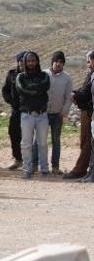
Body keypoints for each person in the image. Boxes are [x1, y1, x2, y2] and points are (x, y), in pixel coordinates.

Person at [34, 51, 72, 174]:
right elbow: (37, 92)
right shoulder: (43, 74)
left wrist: (64, 111)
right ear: (52, 62)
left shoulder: (67, 78)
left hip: (57, 115)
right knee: (38, 140)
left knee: (56, 140)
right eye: (57, 61)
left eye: (61, 62)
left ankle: (55, 167)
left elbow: (68, 97)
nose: (59, 64)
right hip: (43, 113)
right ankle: (34, 165)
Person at [16, 51, 51, 178]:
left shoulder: (44, 76)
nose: (31, 63)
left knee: (42, 143)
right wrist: (37, 90)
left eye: (33, 60)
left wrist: (32, 88)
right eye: (28, 61)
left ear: (37, 61)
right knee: (26, 144)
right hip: (27, 114)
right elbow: (22, 89)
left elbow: (45, 86)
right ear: (25, 62)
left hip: (42, 114)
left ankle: (44, 169)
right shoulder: (20, 77)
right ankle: (27, 169)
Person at [65, 51, 94, 179]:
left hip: (90, 112)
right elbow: (85, 90)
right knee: (86, 142)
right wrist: (75, 94)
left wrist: (74, 96)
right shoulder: (91, 74)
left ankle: (81, 169)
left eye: (89, 61)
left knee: (88, 142)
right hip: (86, 111)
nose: (88, 64)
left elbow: (86, 93)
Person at [1, 51, 26, 170]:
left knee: (28, 136)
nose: (23, 63)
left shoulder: (33, 74)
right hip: (16, 110)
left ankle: (29, 160)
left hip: (29, 110)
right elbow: (5, 91)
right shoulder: (12, 75)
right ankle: (18, 159)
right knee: (14, 134)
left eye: (24, 61)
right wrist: (12, 101)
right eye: (21, 61)